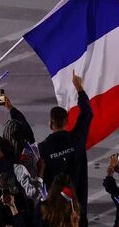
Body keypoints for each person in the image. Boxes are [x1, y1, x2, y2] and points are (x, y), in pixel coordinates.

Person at [38, 72, 92, 215]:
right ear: (67, 122)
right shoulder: (77, 139)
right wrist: (79, 88)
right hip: (77, 210)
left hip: (52, 213)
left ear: (51, 124)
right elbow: (87, 113)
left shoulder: (41, 150)